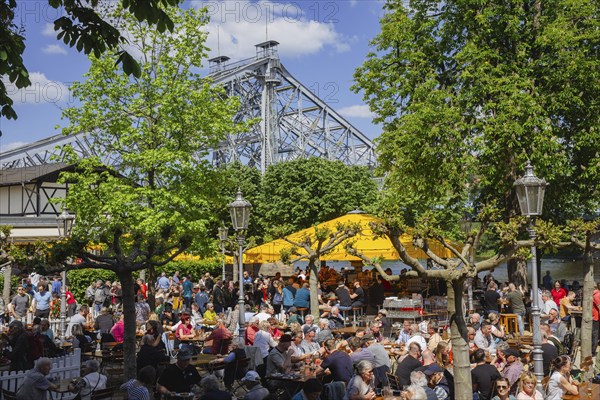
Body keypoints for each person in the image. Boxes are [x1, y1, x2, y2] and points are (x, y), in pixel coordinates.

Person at [593, 281, 600, 356]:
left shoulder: (595, 294)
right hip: (596, 318)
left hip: (596, 317)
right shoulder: (597, 295)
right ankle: (592, 352)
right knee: (595, 335)